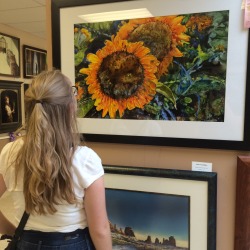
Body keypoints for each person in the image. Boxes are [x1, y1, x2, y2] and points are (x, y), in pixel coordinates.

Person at [0, 70, 112, 249]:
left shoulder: (9, 152)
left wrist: (13, 231)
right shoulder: (85, 159)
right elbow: (100, 230)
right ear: (70, 108)